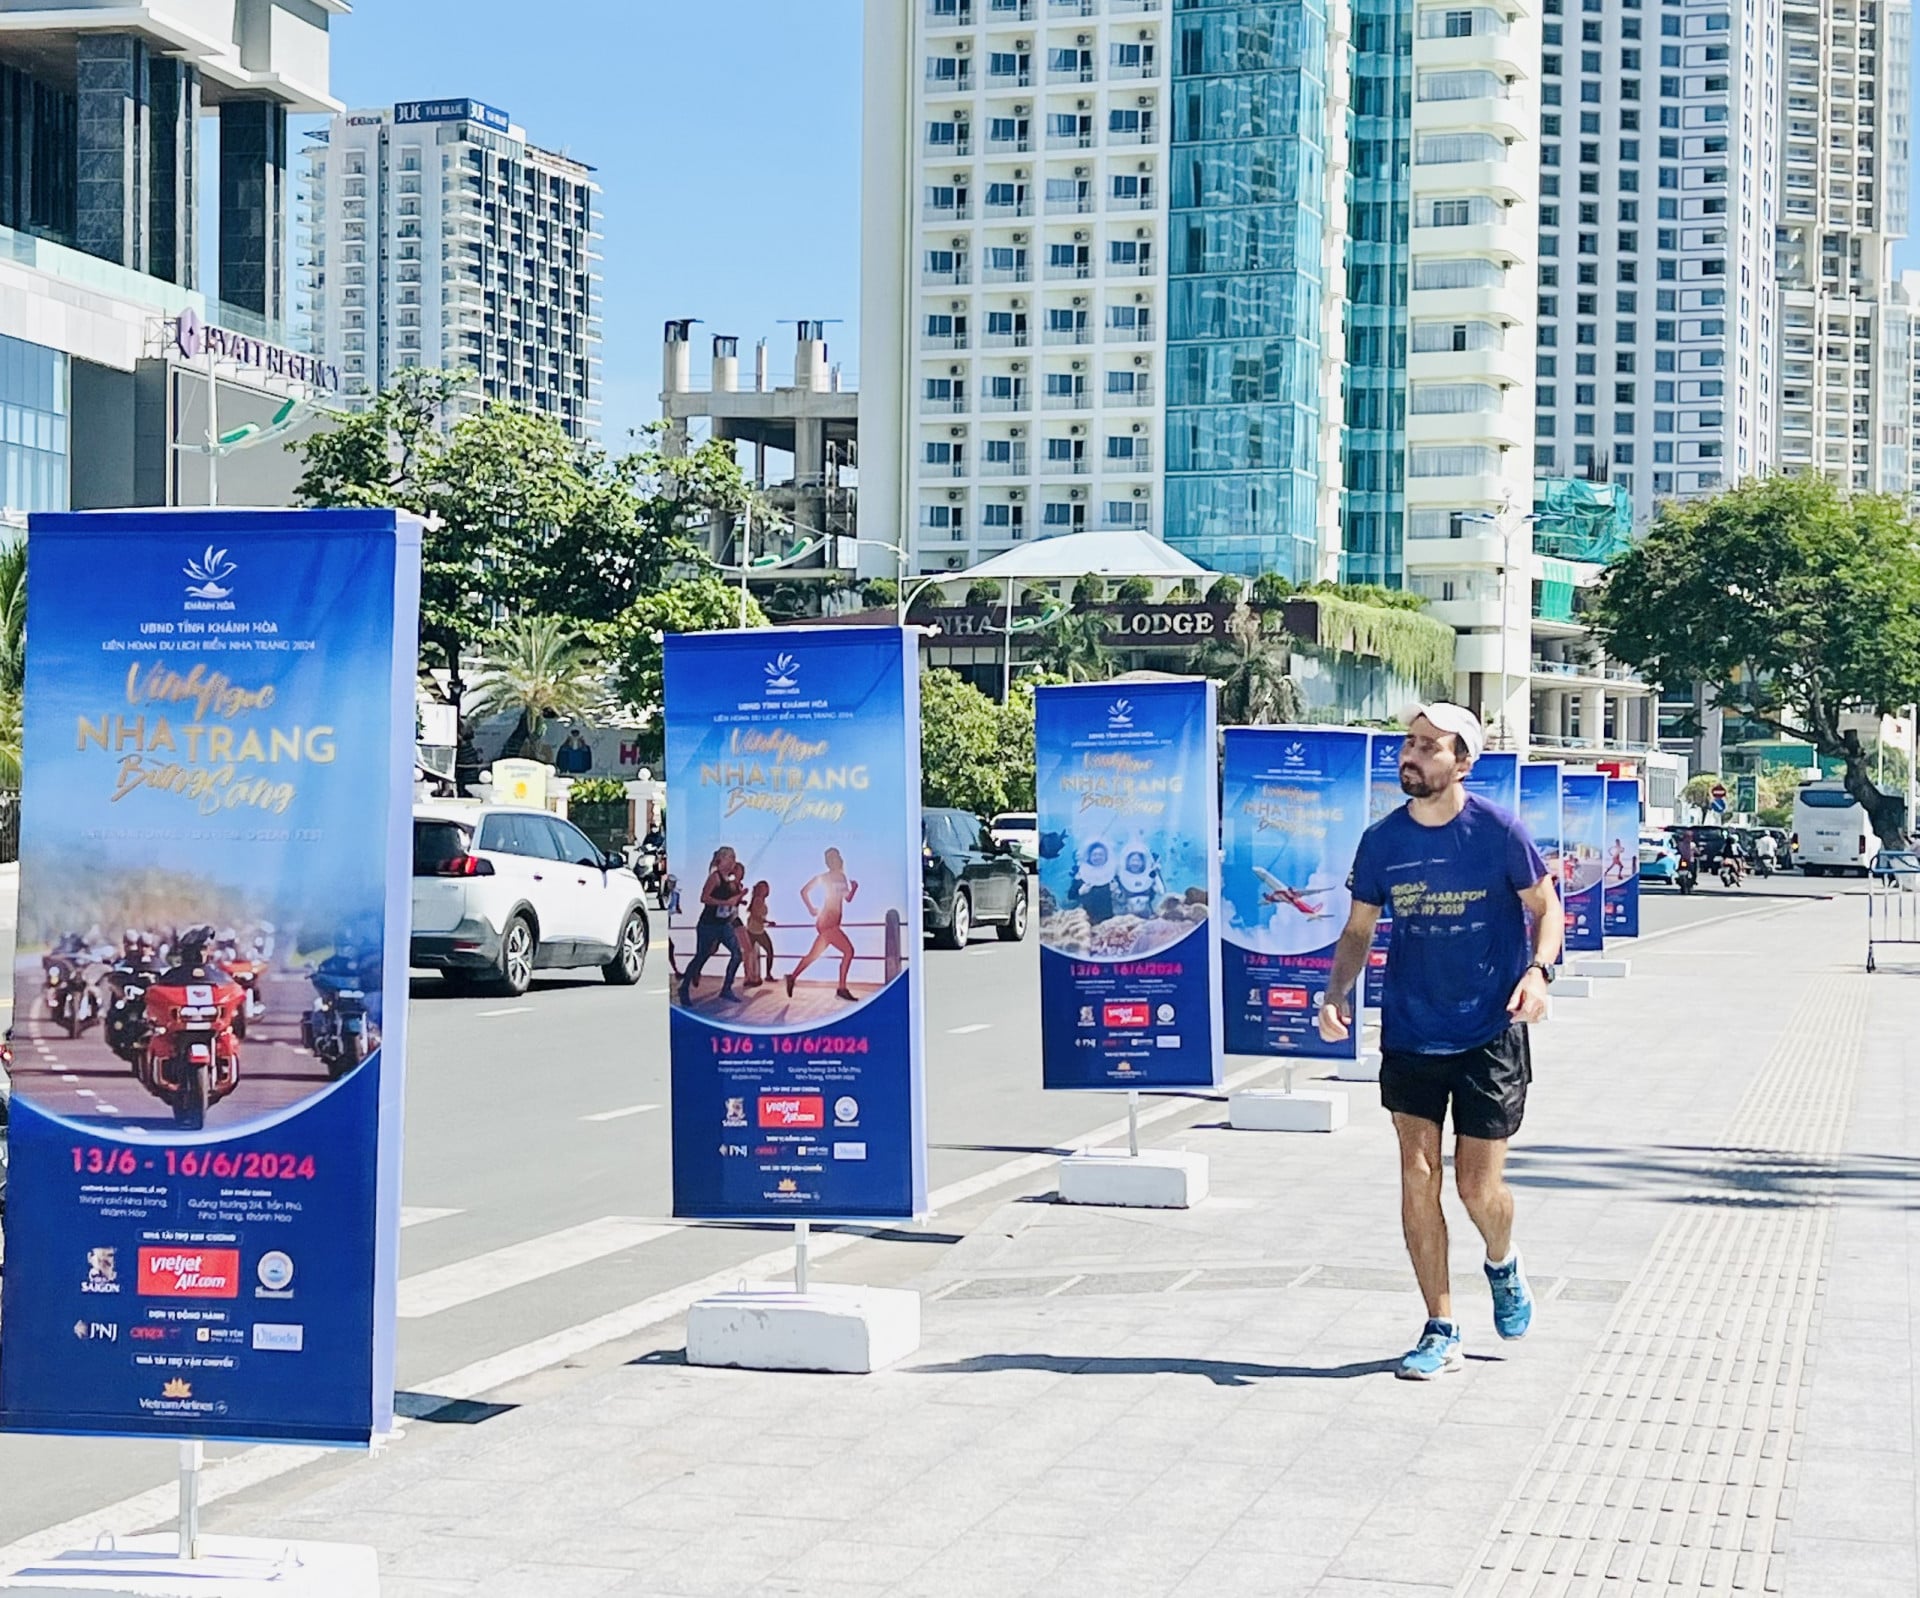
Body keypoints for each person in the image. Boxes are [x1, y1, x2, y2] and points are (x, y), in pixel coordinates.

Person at [1316, 704, 1565, 1381]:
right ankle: (1440, 1324)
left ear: (1463, 761)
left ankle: (1502, 1260)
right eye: (1409, 742)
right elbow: (1359, 931)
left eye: (1430, 746)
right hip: (1412, 1029)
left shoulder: (1499, 833)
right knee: (1418, 1176)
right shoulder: (1382, 842)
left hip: (1488, 1030)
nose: (1413, 754)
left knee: (1478, 1188)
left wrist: (1538, 974)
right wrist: (1335, 993)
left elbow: (1547, 909)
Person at [786, 848, 860, 1002]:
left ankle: (792, 977)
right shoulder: (823, 878)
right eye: (830, 858)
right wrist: (811, 908)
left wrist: (854, 888)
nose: (833, 860)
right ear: (827, 862)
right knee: (849, 951)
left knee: (813, 955)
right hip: (827, 922)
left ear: (839, 859)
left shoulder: (842, 877)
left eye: (835, 857)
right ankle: (841, 988)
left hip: (832, 922)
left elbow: (847, 898)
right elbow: (804, 891)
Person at [678, 848, 745, 1005]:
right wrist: (725, 903)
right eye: (731, 857)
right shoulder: (715, 877)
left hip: (724, 924)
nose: (734, 860)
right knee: (701, 955)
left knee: (737, 954)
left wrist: (738, 899)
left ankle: (726, 989)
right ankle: (684, 987)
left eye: (734, 857)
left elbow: (728, 900)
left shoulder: (729, 880)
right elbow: (704, 898)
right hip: (708, 925)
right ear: (722, 859)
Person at [742, 880, 777, 987]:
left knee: (750, 954)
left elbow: (757, 916)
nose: (763, 890)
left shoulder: (760, 900)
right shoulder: (757, 900)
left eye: (765, 888)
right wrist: (767, 922)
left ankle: (760, 976)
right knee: (751, 954)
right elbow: (755, 916)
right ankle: (752, 977)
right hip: (754, 931)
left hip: (758, 930)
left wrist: (765, 922)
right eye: (761, 888)